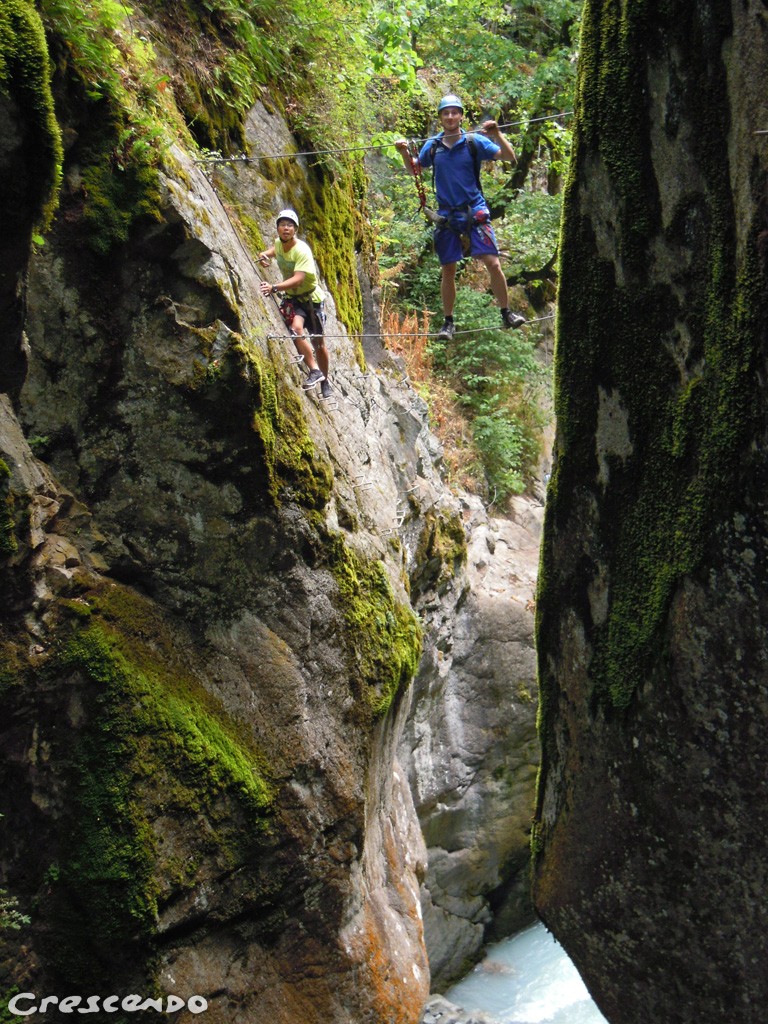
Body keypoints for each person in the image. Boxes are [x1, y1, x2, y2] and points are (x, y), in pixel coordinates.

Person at [396, 94, 526, 340]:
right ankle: (448, 323)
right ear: (440, 117)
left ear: (461, 116)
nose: (450, 116)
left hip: (474, 210)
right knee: (448, 269)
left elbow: (510, 156)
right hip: (447, 214)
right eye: (445, 113)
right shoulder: (433, 146)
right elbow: (415, 168)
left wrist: (497, 134)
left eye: (454, 112)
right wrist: (403, 152)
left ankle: (506, 312)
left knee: (493, 263)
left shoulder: (474, 142)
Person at [258, 209, 331, 397]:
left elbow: (299, 279)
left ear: (295, 229)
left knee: (319, 343)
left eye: (289, 225)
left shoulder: (302, 250)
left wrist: (274, 287)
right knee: (296, 329)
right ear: (277, 228)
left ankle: (325, 380)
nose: (286, 228)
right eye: (282, 225)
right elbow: (275, 250)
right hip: (294, 299)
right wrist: (265, 255)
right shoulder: (279, 244)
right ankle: (314, 370)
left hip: (311, 300)